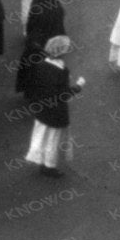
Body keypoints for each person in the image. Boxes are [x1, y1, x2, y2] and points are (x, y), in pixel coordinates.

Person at [22, 35, 83, 178]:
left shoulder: (40, 65)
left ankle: (39, 159)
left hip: (41, 110)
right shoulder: (62, 71)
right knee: (53, 140)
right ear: (62, 52)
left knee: (40, 136)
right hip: (55, 113)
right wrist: (78, 87)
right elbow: (63, 94)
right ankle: (49, 166)